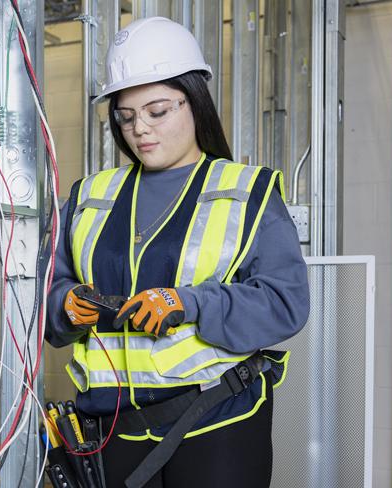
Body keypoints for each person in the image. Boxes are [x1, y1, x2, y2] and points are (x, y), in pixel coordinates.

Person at [46, 16, 310, 488]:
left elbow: (284, 302)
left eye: (158, 110)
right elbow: (50, 292)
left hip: (216, 419)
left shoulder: (244, 191)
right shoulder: (89, 197)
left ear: (195, 102)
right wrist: (65, 305)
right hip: (112, 428)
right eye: (125, 117)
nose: (139, 130)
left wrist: (189, 303)